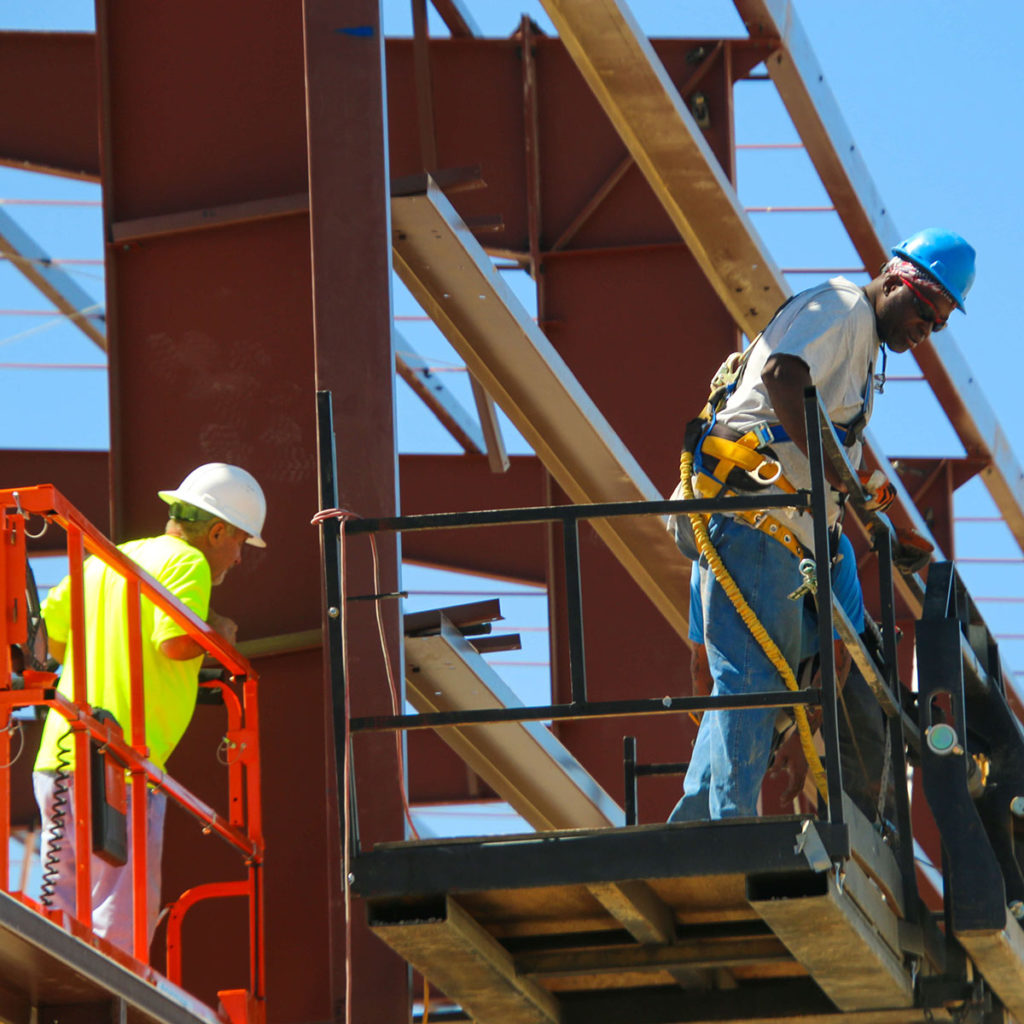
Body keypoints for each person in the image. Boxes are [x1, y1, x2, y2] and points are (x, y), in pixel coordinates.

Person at [669, 228, 975, 821]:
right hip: (759, 520)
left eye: (937, 322)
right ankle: (720, 825)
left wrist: (871, 512)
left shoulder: (863, 356)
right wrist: (846, 479)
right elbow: (784, 376)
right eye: (922, 308)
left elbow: (831, 466)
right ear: (893, 279)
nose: (925, 328)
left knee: (834, 668)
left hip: (791, 534)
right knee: (755, 676)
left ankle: (715, 819)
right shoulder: (841, 306)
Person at [32, 463, 266, 951]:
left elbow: (50, 642)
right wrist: (215, 635)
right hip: (120, 762)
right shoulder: (187, 561)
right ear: (217, 530)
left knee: (65, 906)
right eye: (240, 541)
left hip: (59, 754)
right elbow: (176, 643)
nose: (239, 557)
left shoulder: (103, 560)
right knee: (121, 913)